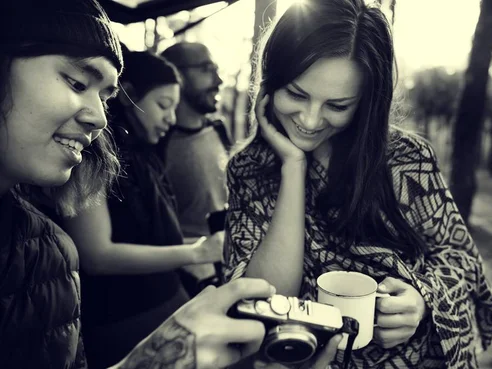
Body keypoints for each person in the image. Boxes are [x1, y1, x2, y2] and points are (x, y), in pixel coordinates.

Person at [0, 1, 341, 368]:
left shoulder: (49, 252)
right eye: (77, 83)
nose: (100, 117)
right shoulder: (99, 180)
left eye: (105, 97)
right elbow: (100, 252)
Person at [223, 1, 492, 368]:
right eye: (296, 94)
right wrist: (293, 167)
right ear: (269, 81)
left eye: (337, 105)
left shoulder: (405, 158)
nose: (309, 120)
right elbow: (266, 296)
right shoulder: (250, 171)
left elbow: (461, 259)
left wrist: (420, 300)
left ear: (367, 101)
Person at [53, 49, 222, 368]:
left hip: (165, 307)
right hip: (123, 321)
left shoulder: (145, 152)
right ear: (128, 96)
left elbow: (154, 242)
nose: (171, 119)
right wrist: (196, 253)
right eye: (163, 105)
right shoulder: (91, 154)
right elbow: (97, 256)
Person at [159, 42, 232, 289]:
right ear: (175, 74)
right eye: (206, 69)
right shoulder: (156, 145)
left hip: (230, 264)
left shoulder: (219, 129)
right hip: (188, 279)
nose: (219, 79)